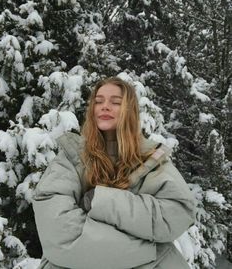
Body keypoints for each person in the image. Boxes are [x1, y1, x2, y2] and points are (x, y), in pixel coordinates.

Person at [33, 76, 196, 269]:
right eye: (99, 101)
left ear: (130, 111)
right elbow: (62, 235)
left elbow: (175, 215)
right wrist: (151, 250)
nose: (105, 106)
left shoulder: (151, 159)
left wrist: (100, 200)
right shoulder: (71, 158)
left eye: (115, 102)